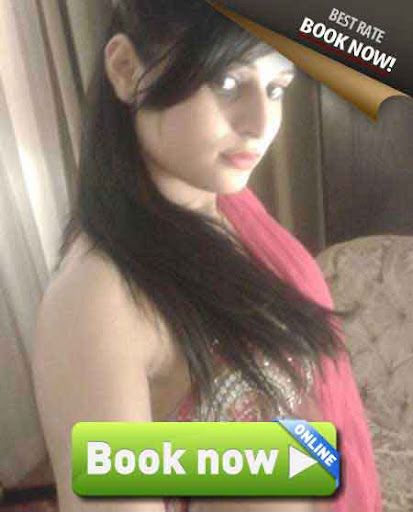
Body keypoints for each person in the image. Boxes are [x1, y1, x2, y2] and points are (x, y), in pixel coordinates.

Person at [32, 1, 382, 511]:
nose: (261, 124)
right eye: (227, 82)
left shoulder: (229, 215)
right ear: (126, 70)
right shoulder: (97, 301)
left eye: (276, 88)